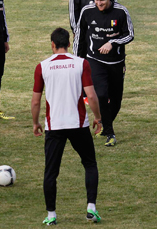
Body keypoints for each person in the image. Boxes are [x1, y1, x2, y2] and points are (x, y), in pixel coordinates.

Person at [32, 28, 103, 226]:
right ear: (69, 43)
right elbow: (92, 95)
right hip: (78, 124)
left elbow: (36, 101)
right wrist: (98, 118)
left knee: (51, 172)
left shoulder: (42, 67)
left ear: (52, 44)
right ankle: (91, 208)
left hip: (54, 126)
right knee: (89, 164)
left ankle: (51, 215)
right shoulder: (81, 64)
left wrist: (35, 122)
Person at [73, 0, 134, 147]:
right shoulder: (88, 11)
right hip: (95, 60)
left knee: (116, 100)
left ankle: (104, 124)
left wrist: (112, 42)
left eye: (102, 0)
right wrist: (76, 59)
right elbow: (79, 37)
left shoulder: (121, 12)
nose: (99, 3)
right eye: (96, 0)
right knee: (100, 94)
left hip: (116, 62)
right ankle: (110, 132)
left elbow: (130, 35)